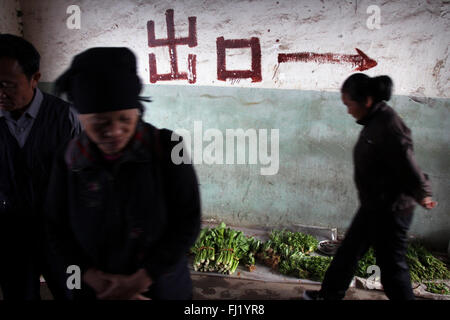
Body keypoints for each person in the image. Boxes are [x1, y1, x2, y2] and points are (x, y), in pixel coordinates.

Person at [45, 47, 201, 300]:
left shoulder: (169, 147)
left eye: (124, 120)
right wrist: (89, 275)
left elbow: (188, 220)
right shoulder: (69, 158)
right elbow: (55, 226)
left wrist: (142, 279)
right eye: (100, 124)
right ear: (82, 119)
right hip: (94, 291)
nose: (115, 131)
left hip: (159, 288)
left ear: (137, 111)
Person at [304, 73, 437, 300]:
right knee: (347, 254)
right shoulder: (375, 120)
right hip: (373, 205)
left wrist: (423, 192)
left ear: (366, 100)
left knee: (393, 270)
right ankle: (328, 296)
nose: (348, 111)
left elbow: (408, 163)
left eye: (349, 104)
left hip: (391, 211)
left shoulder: (389, 125)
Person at [0, 34, 82, 300]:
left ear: (35, 78)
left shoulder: (66, 117)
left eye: (7, 85)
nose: (0, 94)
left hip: (59, 235)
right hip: (10, 235)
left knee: (71, 293)